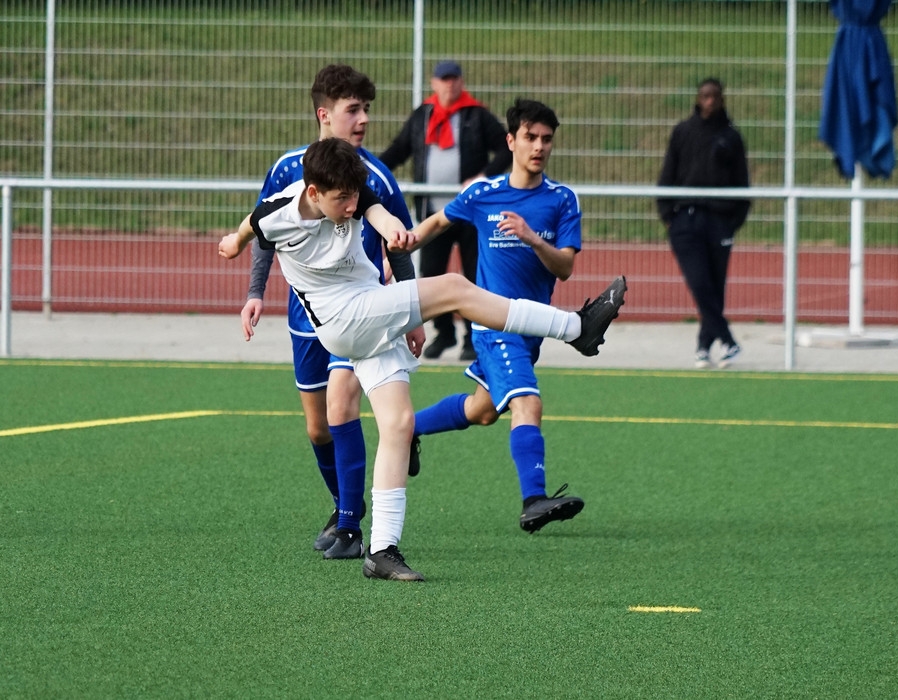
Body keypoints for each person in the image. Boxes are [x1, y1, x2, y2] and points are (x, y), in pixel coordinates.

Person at [219, 137, 627, 580]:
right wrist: (233, 243)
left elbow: (378, 213)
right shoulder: (279, 212)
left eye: (355, 195)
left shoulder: (353, 193)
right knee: (454, 287)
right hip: (341, 319)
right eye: (341, 199)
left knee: (398, 424)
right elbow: (250, 225)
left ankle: (382, 551)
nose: (352, 206)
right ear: (313, 192)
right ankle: (576, 328)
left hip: (369, 308)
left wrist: (394, 230)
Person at [240, 64, 425, 563]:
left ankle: (350, 526)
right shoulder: (288, 168)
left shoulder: (375, 176)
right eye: (353, 110)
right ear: (325, 115)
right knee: (318, 427)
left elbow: (398, 245)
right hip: (306, 315)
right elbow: (263, 228)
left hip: (360, 312)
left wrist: (412, 314)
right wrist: (255, 292)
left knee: (342, 405)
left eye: (367, 109)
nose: (364, 119)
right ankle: (346, 504)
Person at [407, 98, 608, 534]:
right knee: (527, 402)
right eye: (530, 137)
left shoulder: (561, 199)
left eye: (546, 139)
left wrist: (533, 238)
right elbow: (438, 222)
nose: (539, 146)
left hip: (532, 329)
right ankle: (534, 499)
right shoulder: (483, 194)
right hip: (493, 325)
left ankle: (406, 428)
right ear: (511, 141)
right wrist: (402, 246)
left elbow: (564, 268)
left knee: (481, 409)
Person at [380, 60, 512, 362]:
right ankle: (443, 332)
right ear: (434, 83)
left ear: (461, 82)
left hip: (469, 212)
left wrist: (483, 177)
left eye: (454, 79)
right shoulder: (423, 115)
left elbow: (505, 148)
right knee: (431, 274)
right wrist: (369, 169)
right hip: (432, 212)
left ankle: (473, 337)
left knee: (474, 275)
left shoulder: (476, 115)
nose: (449, 84)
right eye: (443, 79)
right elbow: (399, 150)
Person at [656, 77, 750, 369]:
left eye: (715, 96)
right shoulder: (683, 132)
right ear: (698, 98)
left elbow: (742, 183)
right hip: (685, 222)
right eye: (705, 96)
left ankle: (704, 347)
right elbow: (668, 174)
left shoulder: (731, 137)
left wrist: (733, 221)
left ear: (722, 99)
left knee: (715, 287)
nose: (710, 101)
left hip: (719, 221)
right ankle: (729, 341)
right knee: (699, 284)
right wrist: (668, 215)